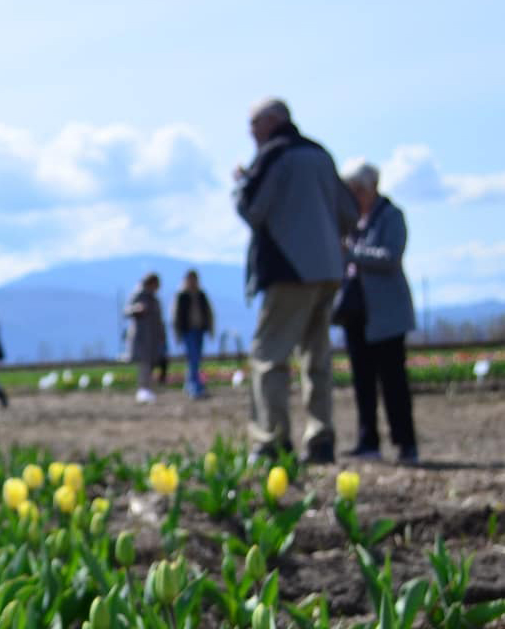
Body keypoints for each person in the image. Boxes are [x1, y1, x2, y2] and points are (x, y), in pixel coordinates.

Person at [234, 98, 358, 463]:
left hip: (289, 270)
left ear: (271, 122)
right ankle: (321, 439)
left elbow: (253, 210)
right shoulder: (321, 154)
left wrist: (240, 185)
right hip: (328, 272)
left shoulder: (273, 156)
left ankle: (271, 440)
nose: (251, 133)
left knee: (268, 356)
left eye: (253, 124)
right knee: (316, 356)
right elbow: (349, 212)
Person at [339, 161, 418, 464]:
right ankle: (367, 440)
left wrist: (351, 253)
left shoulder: (391, 216)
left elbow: (390, 255)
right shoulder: (355, 221)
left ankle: (405, 443)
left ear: (367, 189)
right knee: (362, 380)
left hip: (387, 314)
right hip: (358, 313)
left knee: (393, 380)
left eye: (354, 192)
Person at [171, 269, 215, 399]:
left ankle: (191, 384)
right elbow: (176, 316)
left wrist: (211, 329)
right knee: (193, 358)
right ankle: (195, 387)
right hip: (187, 331)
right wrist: (177, 333)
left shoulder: (201, 294)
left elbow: (209, 312)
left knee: (195, 359)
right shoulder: (181, 295)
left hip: (200, 330)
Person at [125, 273, 166, 403]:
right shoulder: (138, 295)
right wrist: (137, 309)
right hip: (141, 337)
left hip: (153, 337)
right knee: (144, 364)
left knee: (150, 364)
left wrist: (162, 334)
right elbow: (126, 310)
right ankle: (143, 390)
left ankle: (147, 389)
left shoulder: (154, 299)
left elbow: (159, 319)